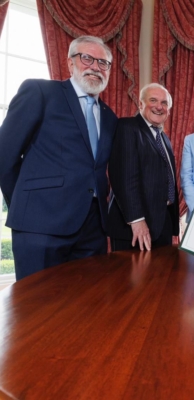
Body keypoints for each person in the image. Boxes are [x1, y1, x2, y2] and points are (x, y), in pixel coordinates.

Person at [0, 36, 117, 281]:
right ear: (70, 63)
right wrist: (26, 206)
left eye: (103, 63)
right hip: (40, 226)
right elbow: (5, 155)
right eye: (87, 58)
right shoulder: (40, 92)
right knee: (38, 312)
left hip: (92, 231)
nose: (96, 67)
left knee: (85, 309)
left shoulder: (109, 117)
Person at [108, 83, 179, 251]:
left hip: (162, 224)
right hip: (134, 227)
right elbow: (124, 178)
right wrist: (137, 220)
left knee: (161, 276)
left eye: (164, 103)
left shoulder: (164, 138)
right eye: (153, 100)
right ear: (140, 104)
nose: (159, 107)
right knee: (132, 277)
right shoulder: (127, 128)